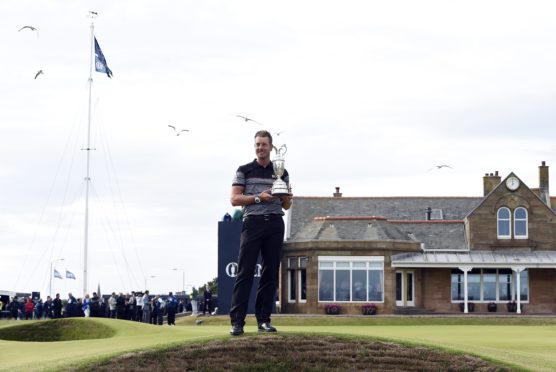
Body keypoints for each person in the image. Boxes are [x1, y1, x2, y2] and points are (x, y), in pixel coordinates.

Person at [228, 130, 292, 336]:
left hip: (274, 223)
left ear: (271, 147)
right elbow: (234, 199)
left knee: (270, 273)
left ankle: (264, 320)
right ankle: (237, 322)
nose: (260, 148)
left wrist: (288, 197)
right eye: (257, 144)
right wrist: (258, 198)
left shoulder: (281, 171)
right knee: (245, 272)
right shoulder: (244, 170)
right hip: (253, 223)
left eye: (264, 144)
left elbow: (287, 205)